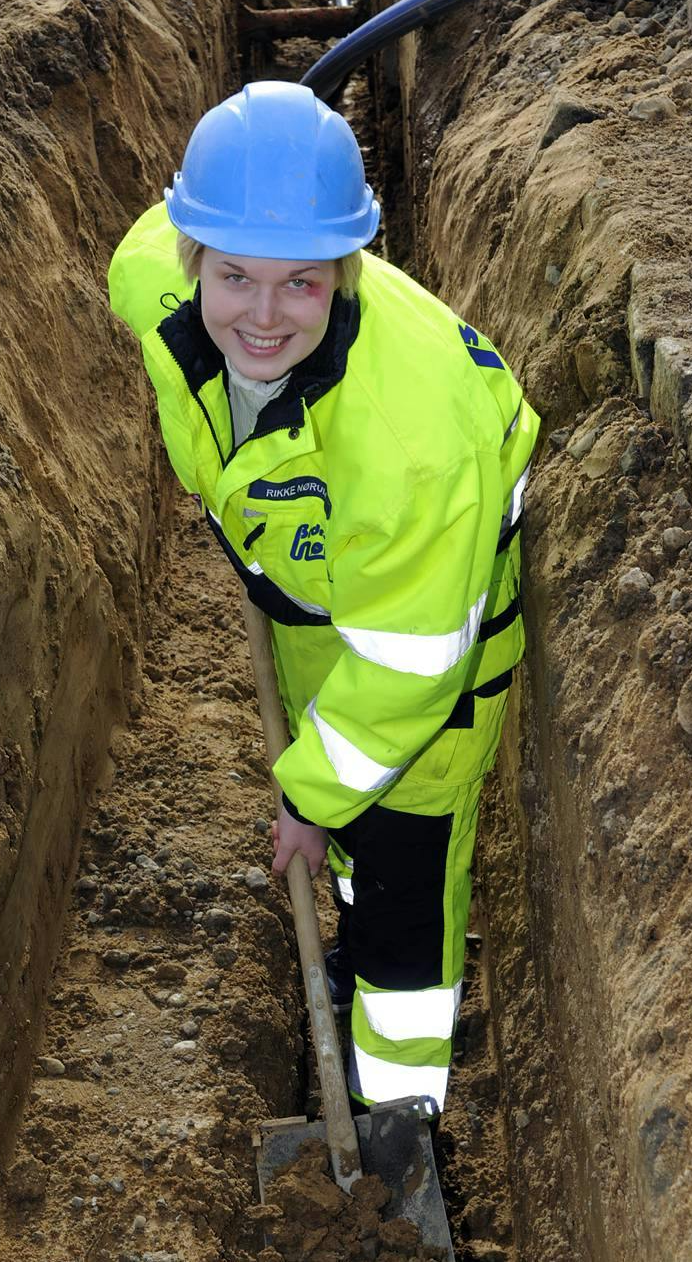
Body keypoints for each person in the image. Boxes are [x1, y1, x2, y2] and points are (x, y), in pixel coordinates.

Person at [109, 81, 539, 1115]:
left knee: (401, 889)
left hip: (432, 668)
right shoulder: (149, 281)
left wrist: (306, 798)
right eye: (235, 277)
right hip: (324, 607)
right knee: (348, 828)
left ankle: (399, 1116)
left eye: (300, 284)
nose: (261, 315)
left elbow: (407, 667)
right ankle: (347, 924)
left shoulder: (412, 448)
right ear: (189, 257)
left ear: (347, 271)